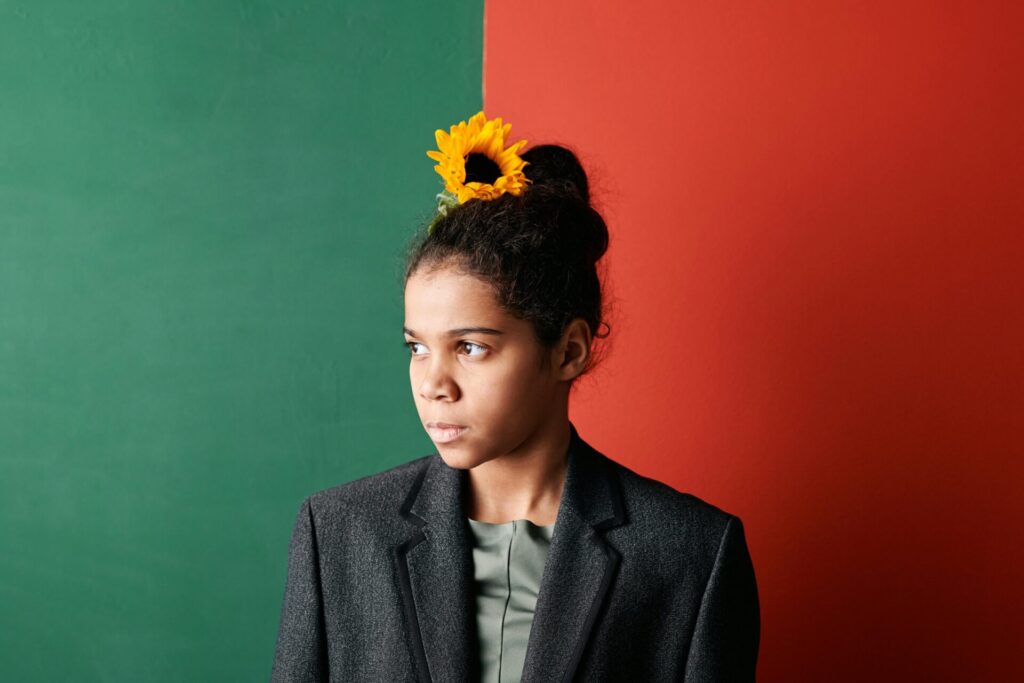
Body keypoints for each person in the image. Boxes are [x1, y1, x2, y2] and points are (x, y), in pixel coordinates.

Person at [271, 112, 760, 682]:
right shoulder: (338, 533)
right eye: (417, 348)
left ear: (569, 351)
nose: (433, 384)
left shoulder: (689, 554)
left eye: (471, 347)